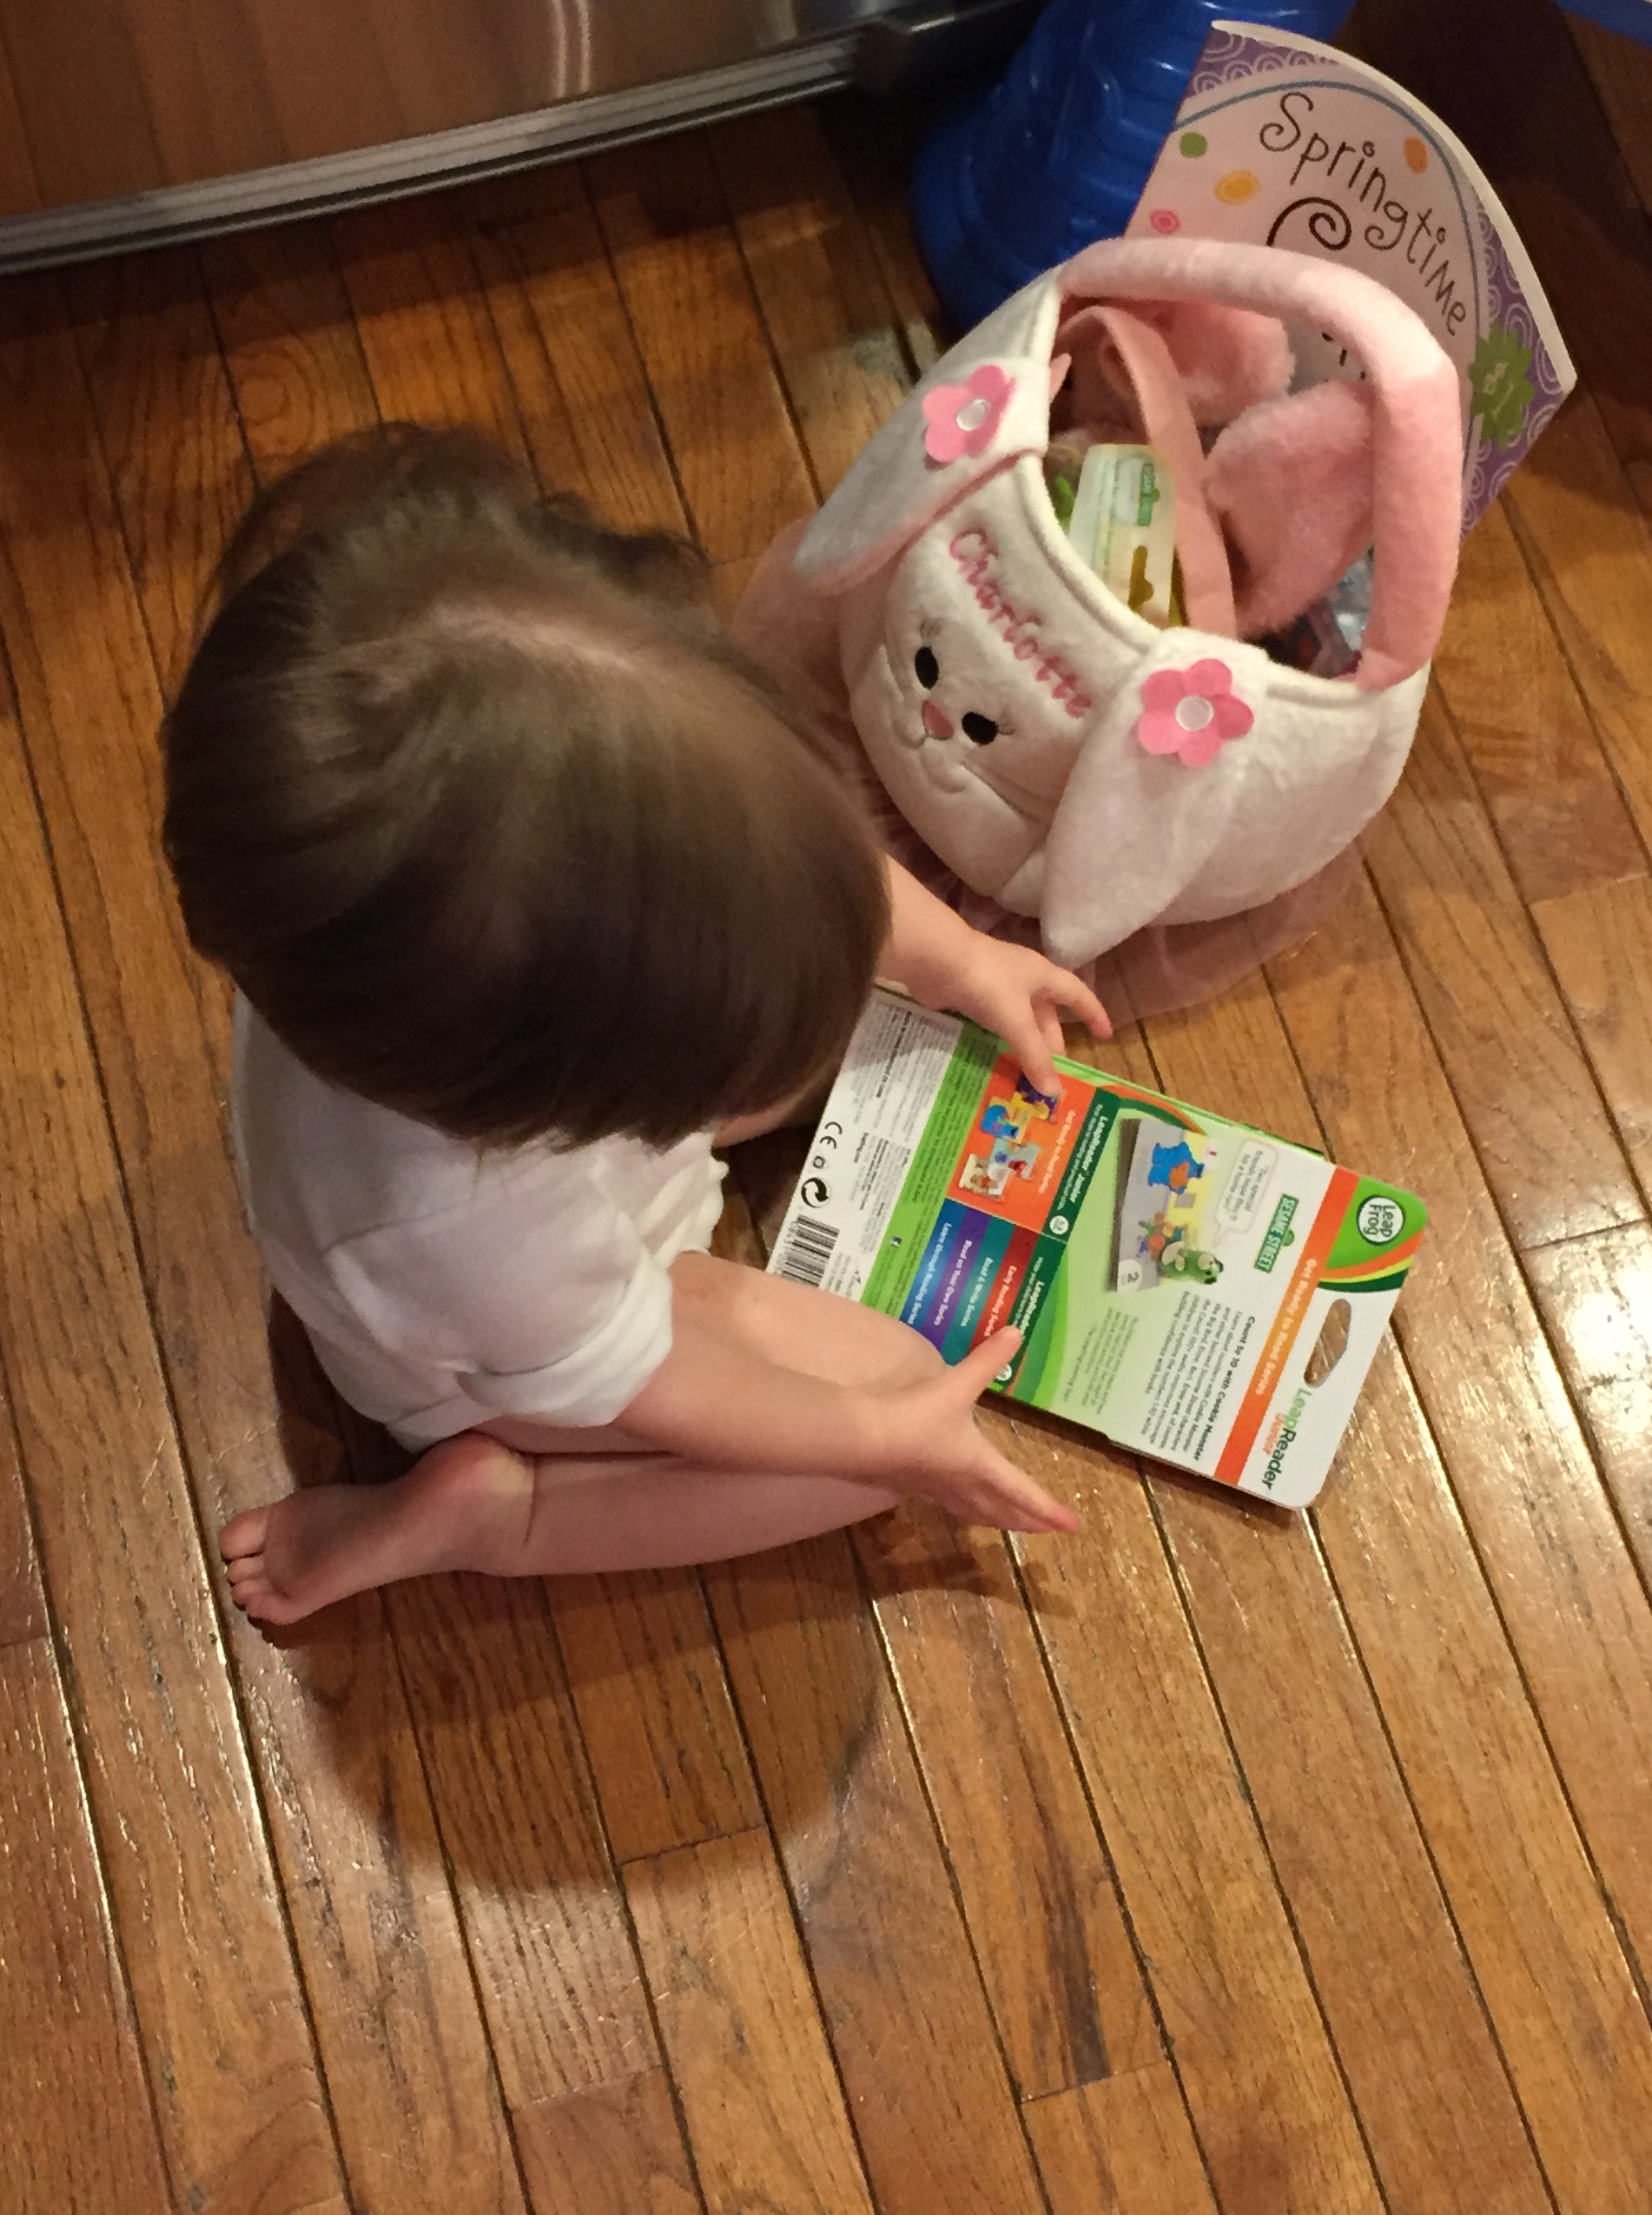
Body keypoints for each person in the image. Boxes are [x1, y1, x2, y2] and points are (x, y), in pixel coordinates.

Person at [162, 426, 1109, 1625]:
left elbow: (779, 863)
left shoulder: (377, 924)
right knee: (890, 1418)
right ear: (580, 1098)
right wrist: (881, 1437)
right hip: (493, 1369)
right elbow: (657, 1374)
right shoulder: (472, 1236)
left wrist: (957, 958)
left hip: (537, 1185)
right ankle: (500, 1521)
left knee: (820, 992)